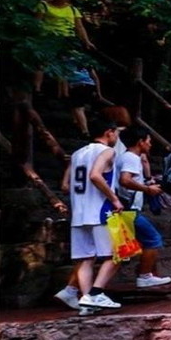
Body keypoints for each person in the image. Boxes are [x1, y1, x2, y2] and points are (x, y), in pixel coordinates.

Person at [57, 123, 124, 310]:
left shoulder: (77, 154)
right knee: (117, 254)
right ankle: (96, 293)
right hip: (101, 210)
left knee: (85, 259)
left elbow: (65, 184)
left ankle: (86, 302)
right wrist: (114, 198)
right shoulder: (107, 152)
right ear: (108, 132)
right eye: (116, 134)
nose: (117, 138)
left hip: (78, 212)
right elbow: (95, 175)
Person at [116, 126, 171, 288]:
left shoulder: (124, 157)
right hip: (129, 209)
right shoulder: (131, 158)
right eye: (148, 141)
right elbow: (125, 180)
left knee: (124, 249)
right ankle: (145, 275)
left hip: (127, 208)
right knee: (153, 239)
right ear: (140, 142)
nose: (150, 144)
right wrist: (148, 189)